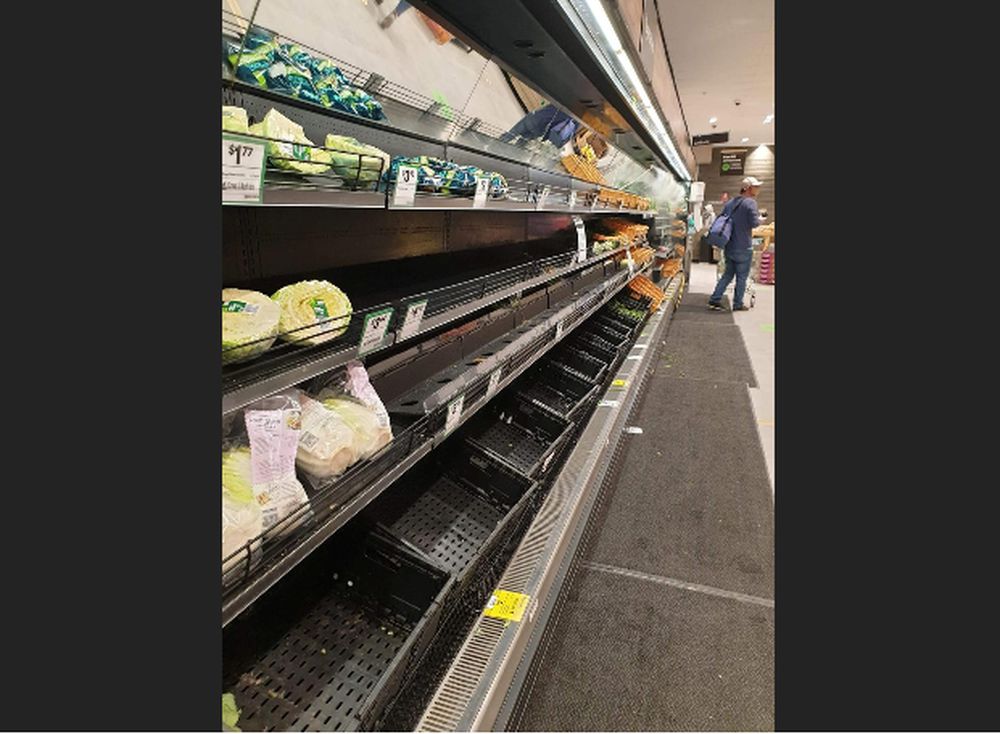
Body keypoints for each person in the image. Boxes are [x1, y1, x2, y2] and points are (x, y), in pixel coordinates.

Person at [708, 176, 764, 312]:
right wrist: (760, 219)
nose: (758, 189)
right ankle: (738, 303)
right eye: (756, 187)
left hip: (729, 245)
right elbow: (754, 223)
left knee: (728, 274)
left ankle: (715, 299)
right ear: (749, 188)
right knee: (742, 277)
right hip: (744, 246)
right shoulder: (750, 203)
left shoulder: (731, 203)